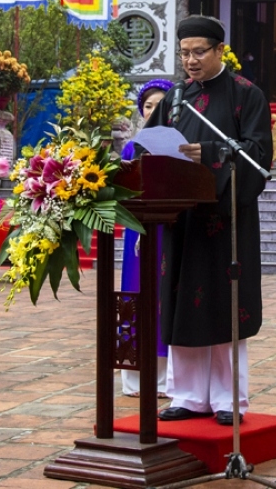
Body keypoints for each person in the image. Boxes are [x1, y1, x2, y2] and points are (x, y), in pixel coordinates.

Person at [145, 15, 272, 426]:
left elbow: (257, 153)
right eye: (184, 53)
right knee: (182, 305)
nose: (191, 61)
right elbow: (146, 144)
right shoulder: (175, 97)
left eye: (199, 52)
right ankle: (185, 395)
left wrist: (211, 153)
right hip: (181, 217)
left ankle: (227, 399)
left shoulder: (246, 94)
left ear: (220, 50)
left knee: (223, 305)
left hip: (225, 219)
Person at [119, 78, 174, 398]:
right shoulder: (131, 146)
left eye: (161, 105)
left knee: (165, 297)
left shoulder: (181, 144)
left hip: (169, 228)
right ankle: (136, 378)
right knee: (137, 297)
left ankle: (168, 379)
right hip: (137, 233)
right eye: (149, 105)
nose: (154, 110)